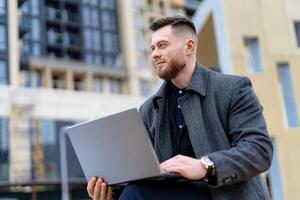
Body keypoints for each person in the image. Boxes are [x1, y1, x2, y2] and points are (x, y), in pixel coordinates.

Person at [87, 15, 273, 200]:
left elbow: (258, 150)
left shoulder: (233, 88)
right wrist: (111, 194)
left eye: (162, 45)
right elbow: (145, 175)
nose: (154, 54)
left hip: (225, 195)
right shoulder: (149, 110)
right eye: (152, 48)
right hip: (174, 193)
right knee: (133, 191)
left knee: (135, 193)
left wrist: (205, 166)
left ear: (189, 47)